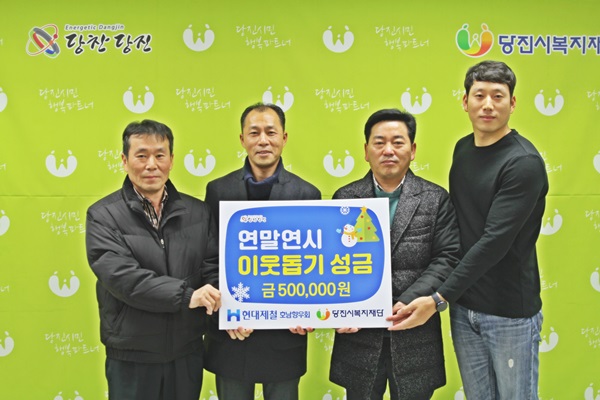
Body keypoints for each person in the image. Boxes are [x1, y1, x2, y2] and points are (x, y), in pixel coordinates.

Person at [390, 61, 549, 400]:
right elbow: (458, 228)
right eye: (479, 95)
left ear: (512, 103)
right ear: (465, 102)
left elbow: (494, 242)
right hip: (464, 305)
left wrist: (438, 298)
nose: (488, 104)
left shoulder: (523, 163)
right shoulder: (463, 149)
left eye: (498, 96)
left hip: (509, 311)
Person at [329, 108, 461, 399]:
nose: (388, 150)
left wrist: (409, 299)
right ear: (366, 151)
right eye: (379, 142)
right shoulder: (344, 199)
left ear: (412, 150)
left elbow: (448, 257)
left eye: (397, 142)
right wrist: (337, 309)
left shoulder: (435, 198)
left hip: (415, 333)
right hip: (359, 337)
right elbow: (331, 262)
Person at [85, 119, 221, 400]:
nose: (151, 165)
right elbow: (124, 279)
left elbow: (213, 270)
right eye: (141, 155)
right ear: (124, 161)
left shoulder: (198, 212)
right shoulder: (103, 215)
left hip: (186, 352)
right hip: (132, 354)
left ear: (172, 160)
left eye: (160, 155)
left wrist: (236, 313)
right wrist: (187, 296)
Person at [203, 102, 321, 400]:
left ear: (284, 138)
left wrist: (307, 311)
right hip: (233, 333)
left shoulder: (307, 194)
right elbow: (208, 258)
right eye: (254, 133)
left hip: (285, 335)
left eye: (271, 132)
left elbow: (315, 263)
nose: (263, 140)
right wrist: (225, 312)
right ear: (242, 139)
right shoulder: (218, 190)